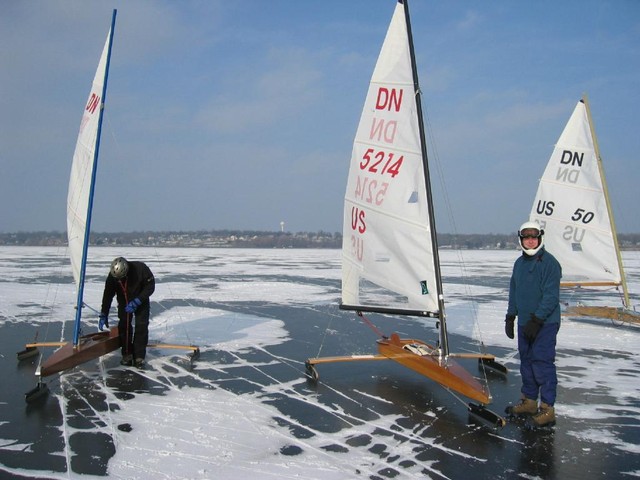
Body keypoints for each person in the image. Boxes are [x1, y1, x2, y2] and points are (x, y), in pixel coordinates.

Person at [504, 221, 562, 428]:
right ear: (521, 239)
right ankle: (529, 402)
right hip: (525, 322)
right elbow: (514, 291)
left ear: (540, 238)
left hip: (545, 323)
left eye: (534, 237)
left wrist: (537, 320)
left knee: (542, 362)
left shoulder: (549, 263)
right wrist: (511, 316)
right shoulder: (519, 264)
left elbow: (551, 297)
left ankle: (547, 409)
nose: (530, 241)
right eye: (526, 237)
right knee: (527, 361)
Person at [99, 257, 155, 368]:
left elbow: (150, 286)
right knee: (124, 325)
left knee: (141, 326)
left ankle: (139, 356)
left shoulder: (140, 269)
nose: (119, 280)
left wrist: (137, 301)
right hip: (124, 301)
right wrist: (104, 313)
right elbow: (107, 295)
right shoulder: (112, 277)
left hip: (140, 299)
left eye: (121, 277)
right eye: (117, 278)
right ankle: (127, 354)